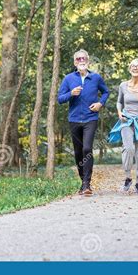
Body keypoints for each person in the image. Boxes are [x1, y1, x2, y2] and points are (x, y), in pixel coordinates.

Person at [58, 49, 109, 196]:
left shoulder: (96, 78)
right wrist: (70, 94)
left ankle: (87, 184)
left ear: (88, 61)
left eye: (84, 58)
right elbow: (60, 99)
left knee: (87, 149)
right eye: (78, 59)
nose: (81, 61)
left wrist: (100, 104)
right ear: (75, 62)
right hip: (74, 119)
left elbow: (106, 92)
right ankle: (83, 181)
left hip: (90, 118)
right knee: (78, 152)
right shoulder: (68, 79)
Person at [108, 58, 138, 195]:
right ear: (129, 69)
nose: (135, 68)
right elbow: (119, 102)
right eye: (132, 66)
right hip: (126, 121)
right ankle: (128, 176)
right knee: (128, 148)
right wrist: (119, 112)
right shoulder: (123, 85)